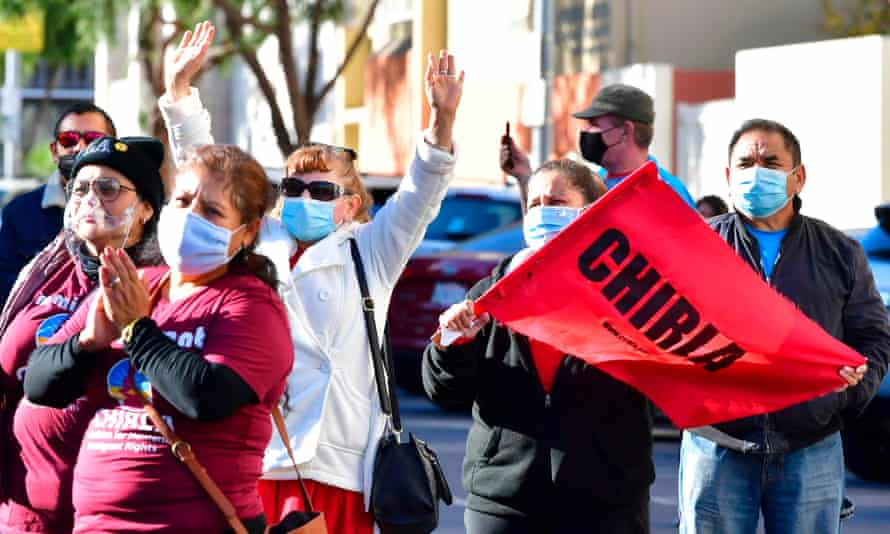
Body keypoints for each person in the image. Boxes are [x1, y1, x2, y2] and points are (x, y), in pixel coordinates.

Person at [157, 21, 463, 533]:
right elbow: (207, 174)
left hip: (339, 465)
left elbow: (420, 194)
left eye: (322, 192)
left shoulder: (373, 249)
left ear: (350, 206)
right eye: (293, 186)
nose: (303, 198)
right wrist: (180, 94)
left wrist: (443, 119)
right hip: (255, 454)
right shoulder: (255, 240)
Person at [24, 144, 293, 533]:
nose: (188, 217)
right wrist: (87, 342)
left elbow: (206, 397)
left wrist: (135, 328)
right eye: (182, 201)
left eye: (212, 211)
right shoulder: (138, 284)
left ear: (247, 232)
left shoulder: (251, 306)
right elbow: (39, 385)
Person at [678, 119, 890, 534]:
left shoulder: (839, 252)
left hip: (810, 447)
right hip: (717, 445)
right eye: (745, 163)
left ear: (798, 177)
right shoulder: (696, 248)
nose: (756, 173)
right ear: (728, 176)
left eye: (770, 162)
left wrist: (852, 388)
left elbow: (873, 338)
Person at [423, 159, 654, 534]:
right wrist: (454, 342)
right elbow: (444, 390)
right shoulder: (491, 295)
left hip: (605, 502)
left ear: (589, 212)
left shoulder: (627, 297)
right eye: (534, 204)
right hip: (503, 501)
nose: (542, 213)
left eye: (556, 202)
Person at [0, 135, 164, 533]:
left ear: (144, 209)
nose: (90, 198)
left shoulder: (168, 283)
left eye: (108, 189)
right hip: (23, 510)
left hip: (116, 515)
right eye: (80, 188)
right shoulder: (44, 271)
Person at [501, 83, 695, 210]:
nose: (586, 131)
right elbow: (547, 242)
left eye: (594, 124)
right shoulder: (591, 183)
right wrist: (523, 176)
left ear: (625, 131)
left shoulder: (667, 193)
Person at [0, 103, 117, 307]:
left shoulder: (129, 210)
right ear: (55, 151)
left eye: (93, 139)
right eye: (68, 139)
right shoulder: (19, 213)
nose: (79, 147)